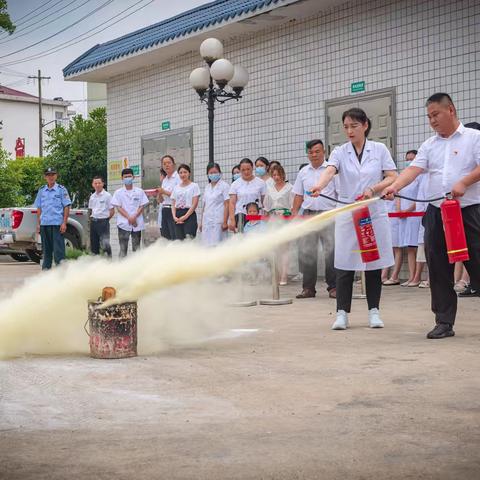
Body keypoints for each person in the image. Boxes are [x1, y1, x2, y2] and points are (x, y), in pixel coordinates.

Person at [383, 93, 480, 339]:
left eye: (436, 114)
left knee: (477, 262)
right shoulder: (429, 145)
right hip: (437, 213)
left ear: (451, 110)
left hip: (469, 211)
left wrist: (464, 182)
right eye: (429, 117)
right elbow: (413, 170)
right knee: (438, 268)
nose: (432, 120)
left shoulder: (474, 138)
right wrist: (395, 187)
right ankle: (444, 322)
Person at [311, 108, 397, 329]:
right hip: (349, 214)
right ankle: (341, 313)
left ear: (365, 125)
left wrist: (373, 188)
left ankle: (374, 311)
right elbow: (330, 170)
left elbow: (392, 176)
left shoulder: (379, 149)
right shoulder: (340, 151)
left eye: (354, 126)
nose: (349, 131)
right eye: (346, 126)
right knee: (344, 264)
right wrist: (320, 186)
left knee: (373, 264)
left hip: (372, 212)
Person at [292, 139, 337, 299]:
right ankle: (308, 288)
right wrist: (295, 215)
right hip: (309, 215)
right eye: (310, 152)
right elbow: (298, 195)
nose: (314, 154)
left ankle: (333, 287)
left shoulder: (332, 170)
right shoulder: (303, 172)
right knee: (307, 252)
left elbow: (340, 193)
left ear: (324, 151)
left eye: (317, 151)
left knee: (331, 252)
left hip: (329, 215)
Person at [34, 167, 71, 270]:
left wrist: (64, 222)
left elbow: (66, 206)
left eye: (53, 175)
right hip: (44, 224)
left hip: (57, 224)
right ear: (45, 177)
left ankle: (61, 275)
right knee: (46, 251)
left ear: (56, 176)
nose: (51, 177)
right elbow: (39, 208)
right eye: (48, 175)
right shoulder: (42, 190)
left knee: (59, 251)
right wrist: (38, 224)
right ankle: (46, 274)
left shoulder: (61, 190)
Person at [264, 164, 294, 285]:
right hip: (273, 220)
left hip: (285, 220)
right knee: (274, 249)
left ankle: (284, 275)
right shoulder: (270, 189)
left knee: (284, 249)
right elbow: (266, 205)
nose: (276, 177)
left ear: (283, 175)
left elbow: (292, 206)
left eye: (278, 174)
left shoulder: (290, 188)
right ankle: (275, 274)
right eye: (274, 175)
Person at [111, 168, 149, 258]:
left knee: (136, 249)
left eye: (129, 176)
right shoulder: (118, 192)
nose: (128, 178)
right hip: (123, 224)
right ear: (122, 178)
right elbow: (118, 207)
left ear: (133, 177)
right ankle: (122, 269)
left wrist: (134, 216)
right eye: (125, 177)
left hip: (137, 223)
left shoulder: (139, 191)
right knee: (123, 249)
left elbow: (142, 206)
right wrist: (129, 217)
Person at [228, 158, 266, 232]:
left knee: (256, 239)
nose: (246, 172)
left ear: (252, 168)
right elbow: (232, 203)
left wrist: (265, 217)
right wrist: (232, 220)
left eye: (248, 169)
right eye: (243, 170)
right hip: (241, 217)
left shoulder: (261, 183)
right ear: (240, 170)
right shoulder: (235, 184)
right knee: (241, 240)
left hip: (256, 217)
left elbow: (264, 202)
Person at [199, 163, 229, 246]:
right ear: (207, 175)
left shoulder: (224, 186)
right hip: (207, 221)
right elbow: (205, 206)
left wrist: (225, 221)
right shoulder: (207, 187)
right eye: (211, 173)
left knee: (219, 245)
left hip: (218, 220)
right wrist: (201, 222)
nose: (213, 175)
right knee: (206, 245)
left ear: (220, 173)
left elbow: (227, 204)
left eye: (215, 172)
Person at [171, 164, 200, 240]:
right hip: (177, 216)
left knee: (189, 240)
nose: (183, 174)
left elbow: (194, 204)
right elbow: (173, 204)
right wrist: (174, 217)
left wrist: (185, 217)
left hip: (189, 215)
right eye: (180, 172)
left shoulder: (194, 186)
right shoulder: (176, 187)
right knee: (179, 241)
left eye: (185, 172)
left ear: (189, 173)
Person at [88, 176, 114, 257]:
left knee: (105, 244)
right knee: (94, 245)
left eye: (99, 183)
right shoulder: (92, 196)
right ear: (93, 185)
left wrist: (105, 220)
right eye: (95, 183)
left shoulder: (107, 196)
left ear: (103, 184)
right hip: (94, 223)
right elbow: (91, 210)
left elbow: (112, 211)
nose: (97, 185)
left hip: (103, 223)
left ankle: (109, 263)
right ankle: (96, 264)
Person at [157, 155, 180, 240]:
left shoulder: (178, 177)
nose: (166, 165)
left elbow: (179, 195)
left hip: (174, 210)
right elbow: (160, 200)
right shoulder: (165, 180)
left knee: (174, 237)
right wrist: (159, 193)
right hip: (164, 210)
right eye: (164, 164)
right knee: (165, 238)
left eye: (169, 163)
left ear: (173, 164)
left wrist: (164, 191)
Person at [156, 168, 167, 236]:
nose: (160, 177)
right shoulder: (162, 186)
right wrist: (159, 192)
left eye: (160, 175)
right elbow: (159, 200)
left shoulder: (170, 186)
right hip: (162, 218)